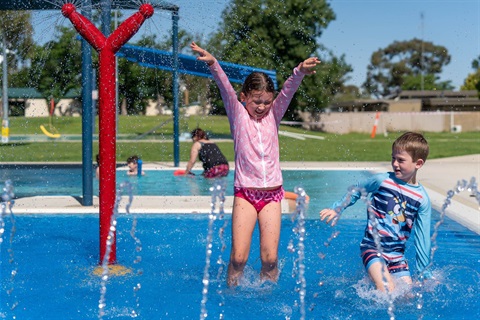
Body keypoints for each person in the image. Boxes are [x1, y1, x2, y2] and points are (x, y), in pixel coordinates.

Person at [190, 41, 320, 286]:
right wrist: (213, 64)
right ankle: (231, 297)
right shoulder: (238, 115)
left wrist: (300, 71)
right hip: (245, 195)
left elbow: (288, 91)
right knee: (239, 258)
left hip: (272, 195)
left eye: (266, 102)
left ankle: (267, 302)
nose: (261, 107)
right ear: (244, 98)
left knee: (270, 259)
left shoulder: (274, 114)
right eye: (256, 101)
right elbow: (225, 88)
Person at [320, 132, 433, 292]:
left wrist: (424, 272)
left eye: (401, 160)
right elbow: (357, 190)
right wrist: (338, 208)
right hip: (372, 248)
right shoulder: (383, 181)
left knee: (407, 297)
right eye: (393, 158)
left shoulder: (422, 199)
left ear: (418, 163)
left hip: (397, 256)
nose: (395, 164)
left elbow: (423, 239)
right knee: (387, 291)